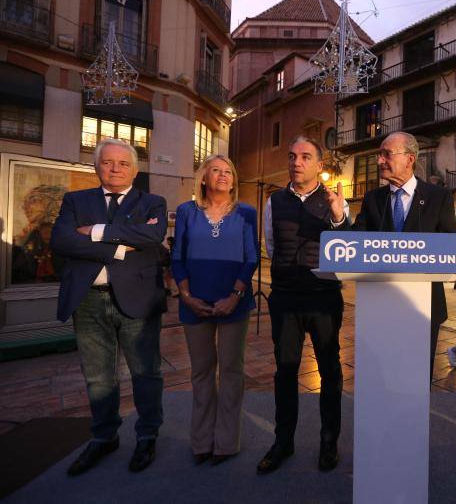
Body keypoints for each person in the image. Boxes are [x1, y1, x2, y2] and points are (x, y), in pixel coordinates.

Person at [50, 139, 167, 475]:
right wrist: (120, 247)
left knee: (146, 373)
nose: (115, 169)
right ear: (96, 166)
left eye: (123, 163)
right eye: (108, 162)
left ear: (136, 169)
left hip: (138, 300)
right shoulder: (75, 200)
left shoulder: (153, 203)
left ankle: (147, 435)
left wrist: (96, 232)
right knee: (99, 377)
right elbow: (61, 241)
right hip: (88, 300)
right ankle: (104, 437)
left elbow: (152, 237)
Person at [257, 136, 349, 474]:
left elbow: (346, 244)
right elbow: (270, 245)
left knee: (330, 371)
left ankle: (329, 442)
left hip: (324, 299)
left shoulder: (335, 201)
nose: (297, 162)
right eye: (293, 155)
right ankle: (283, 442)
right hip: (285, 298)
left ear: (319, 166)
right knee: (284, 371)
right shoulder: (273, 201)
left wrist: (338, 218)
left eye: (306, 156)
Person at [171, 155, 258, 466]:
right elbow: (177, 257)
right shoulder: (186, 212)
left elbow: (251, 257)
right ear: (204, 178)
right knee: (202, 373)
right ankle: (201, 441)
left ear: (234, 180)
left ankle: (225, 442)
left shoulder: (247, 213)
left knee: (232, 372)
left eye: (228, 172)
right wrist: (185, 295)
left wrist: (235, 295)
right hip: (194, 303)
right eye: (216, 171)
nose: (223, 176)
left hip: (234, 302)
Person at [352, 131, 456, 379]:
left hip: (424, 307)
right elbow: (355, 241)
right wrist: (338, 217)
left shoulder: (438, 197)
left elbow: (452, 246)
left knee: (417, 379)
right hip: (379, 305)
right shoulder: (373, 199)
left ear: (409, 158)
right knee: (382, 376)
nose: (379, 161)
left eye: (386, 154)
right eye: (379, 155)